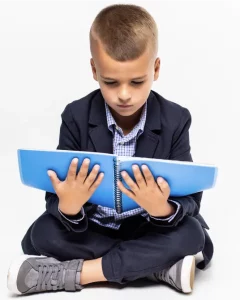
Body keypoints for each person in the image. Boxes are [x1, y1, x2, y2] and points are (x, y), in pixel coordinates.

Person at [7, 3, 213, 296]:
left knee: (192, 234)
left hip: (149, 228)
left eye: (137, 81)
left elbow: (191, 198)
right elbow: (55, 197)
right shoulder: (76, 116)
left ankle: (75, 273)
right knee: (41, 234)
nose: (124, 94)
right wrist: (70, 205)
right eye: (111, 82)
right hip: (93, 228)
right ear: (94, 70)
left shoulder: (176, 119)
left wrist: (161, 209)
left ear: (155, 68)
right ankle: (157, 267)